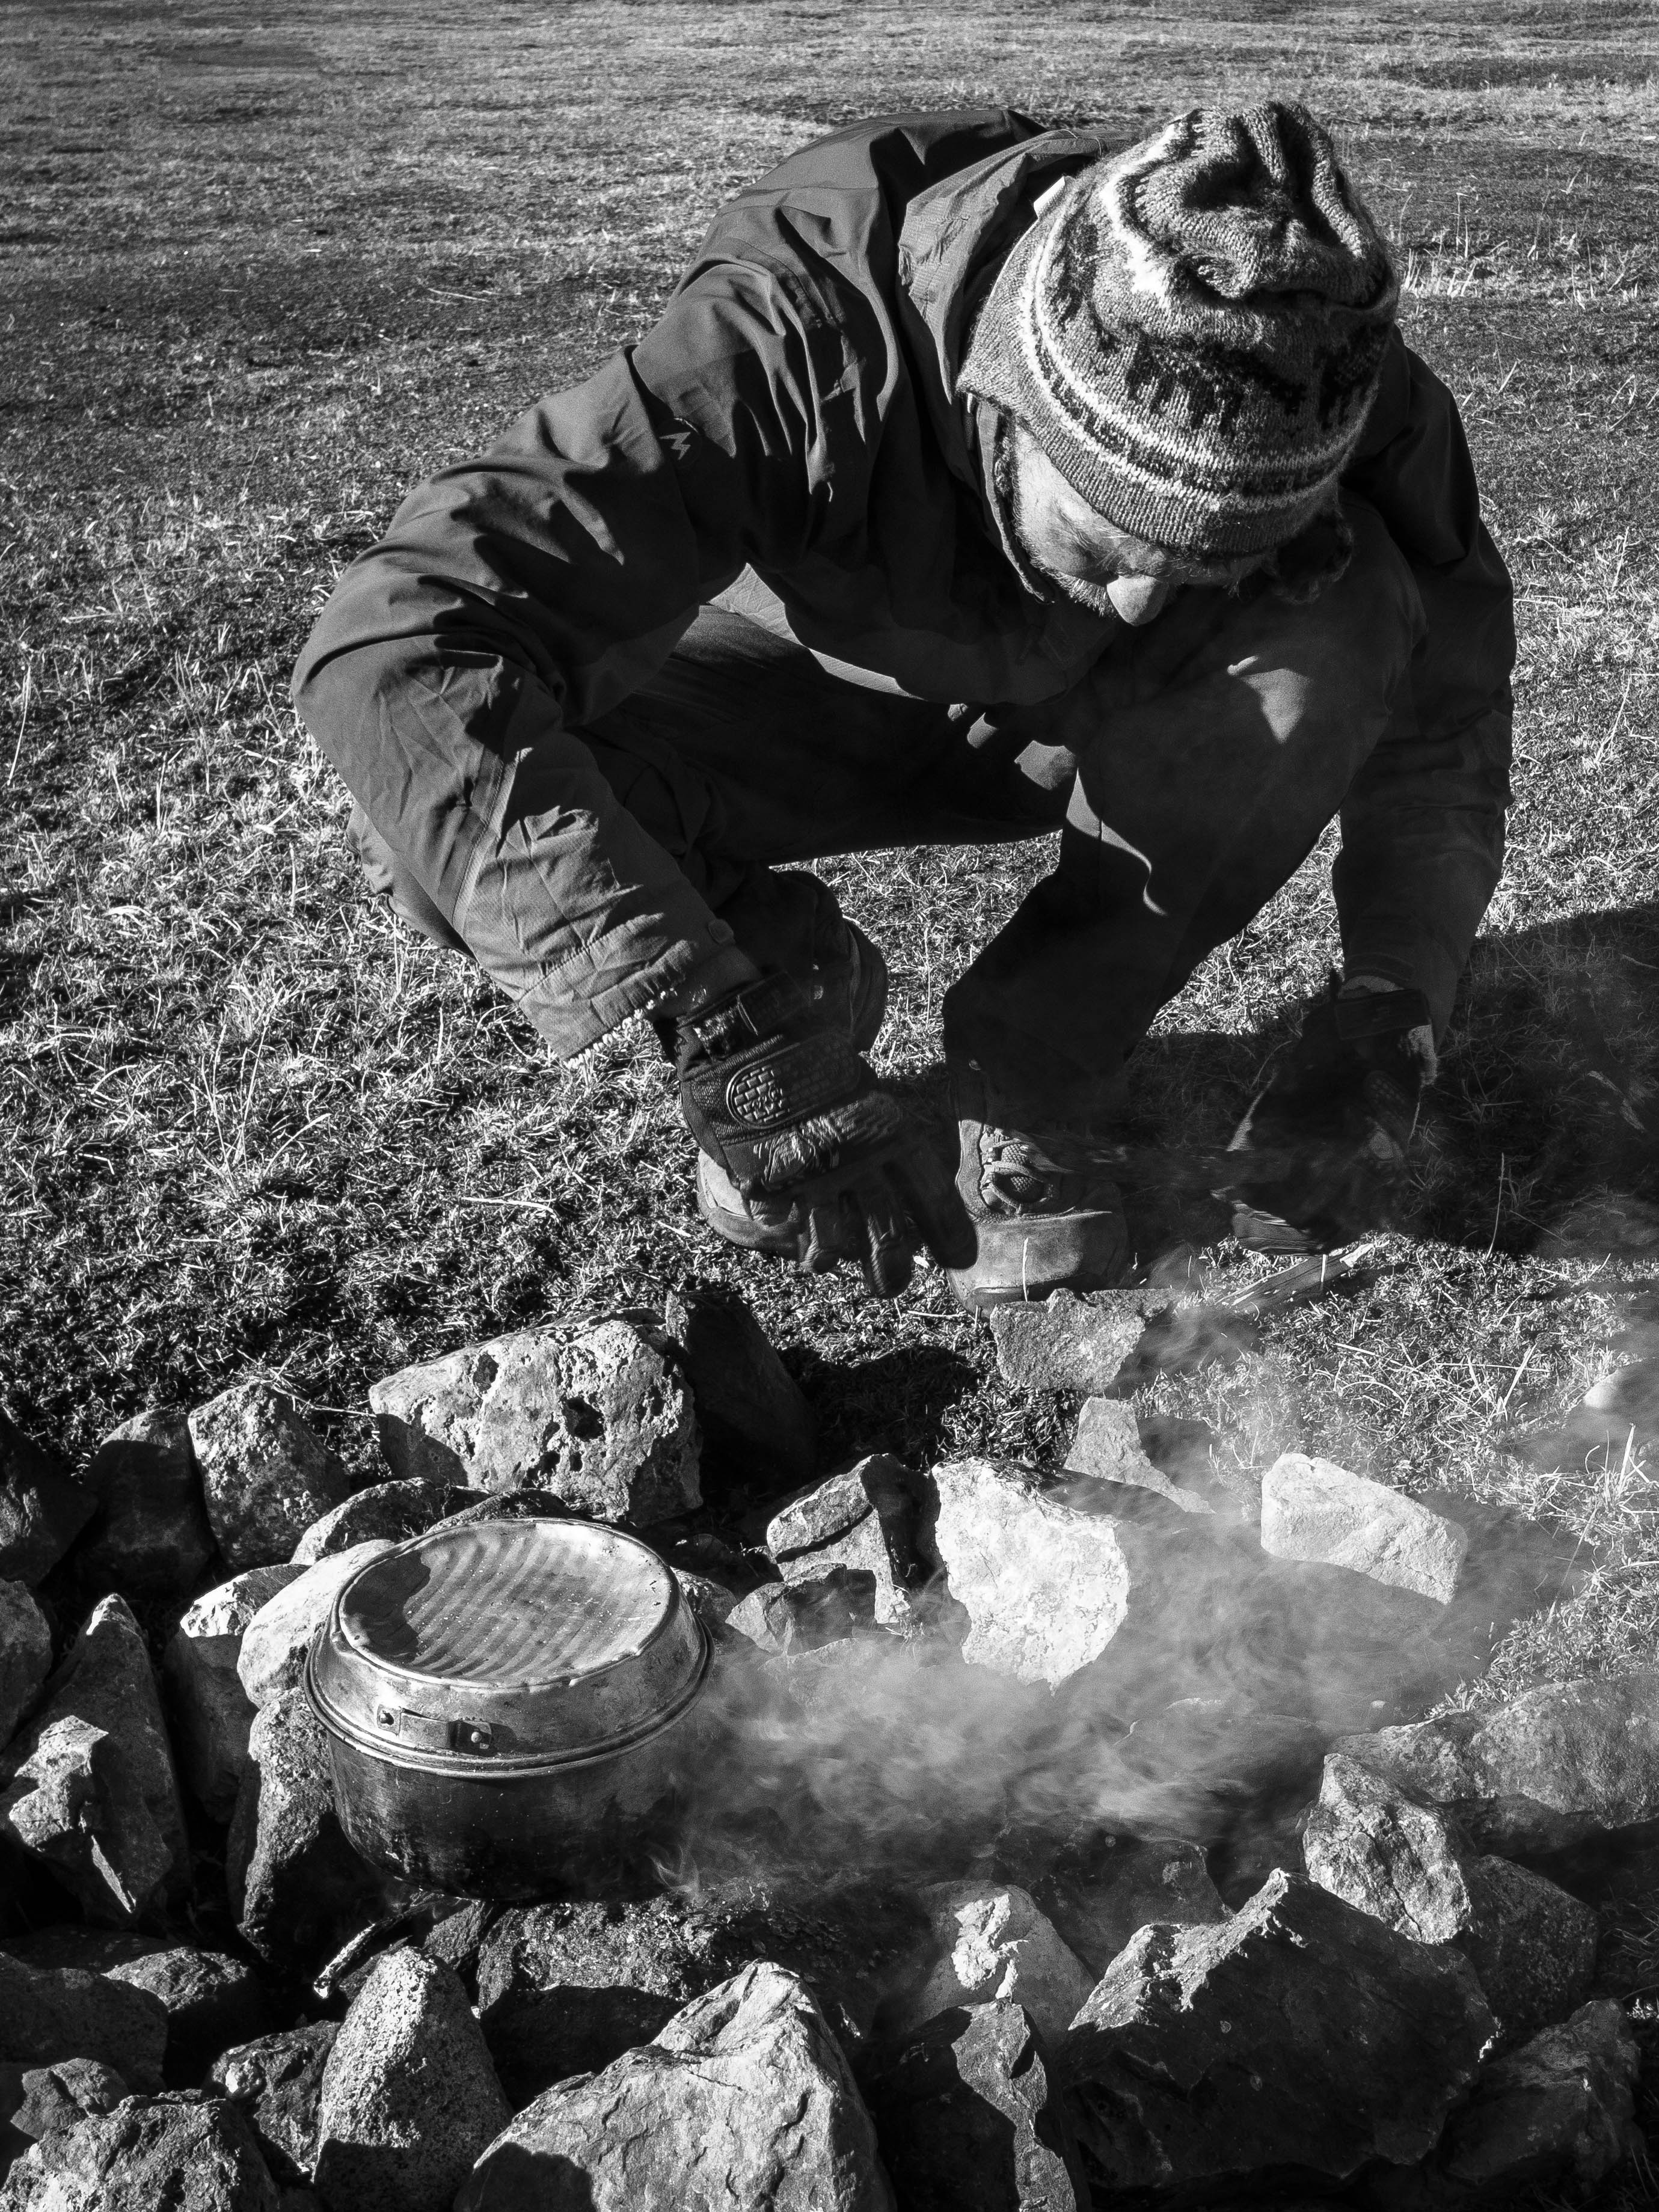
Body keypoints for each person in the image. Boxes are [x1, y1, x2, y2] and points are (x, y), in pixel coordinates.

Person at [292, 100, 1513, 1308]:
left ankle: (1032, 1077)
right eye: (1111, 542)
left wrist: (1394, 998)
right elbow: (401, 642)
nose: (1145, 599)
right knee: (440, 809)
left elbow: (1446, 711)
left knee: (1349, 615)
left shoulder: (1325, 372)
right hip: (794, 696)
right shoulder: (792, 336)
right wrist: (724, 1016)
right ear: (1008, 401)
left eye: (1206, 561)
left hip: (1103, 723)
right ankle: (785, 979)